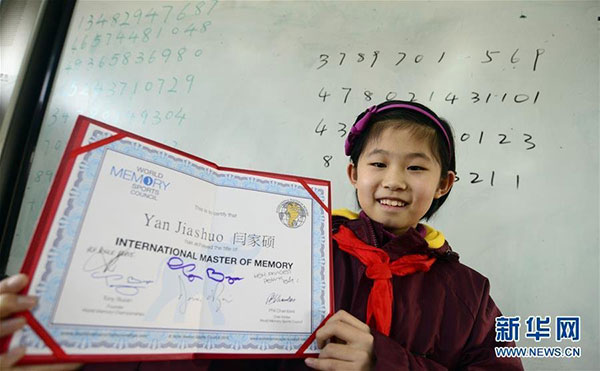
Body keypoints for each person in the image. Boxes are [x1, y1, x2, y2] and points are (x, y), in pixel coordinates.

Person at [0, 100, 523, 370]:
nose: (393, 181)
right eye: (378, 163)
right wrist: (66, 345)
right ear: (352, 174)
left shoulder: (471, 292)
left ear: (444, 183)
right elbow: (203, 341)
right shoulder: (295, 248)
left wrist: (383, 363)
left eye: (416, 168)